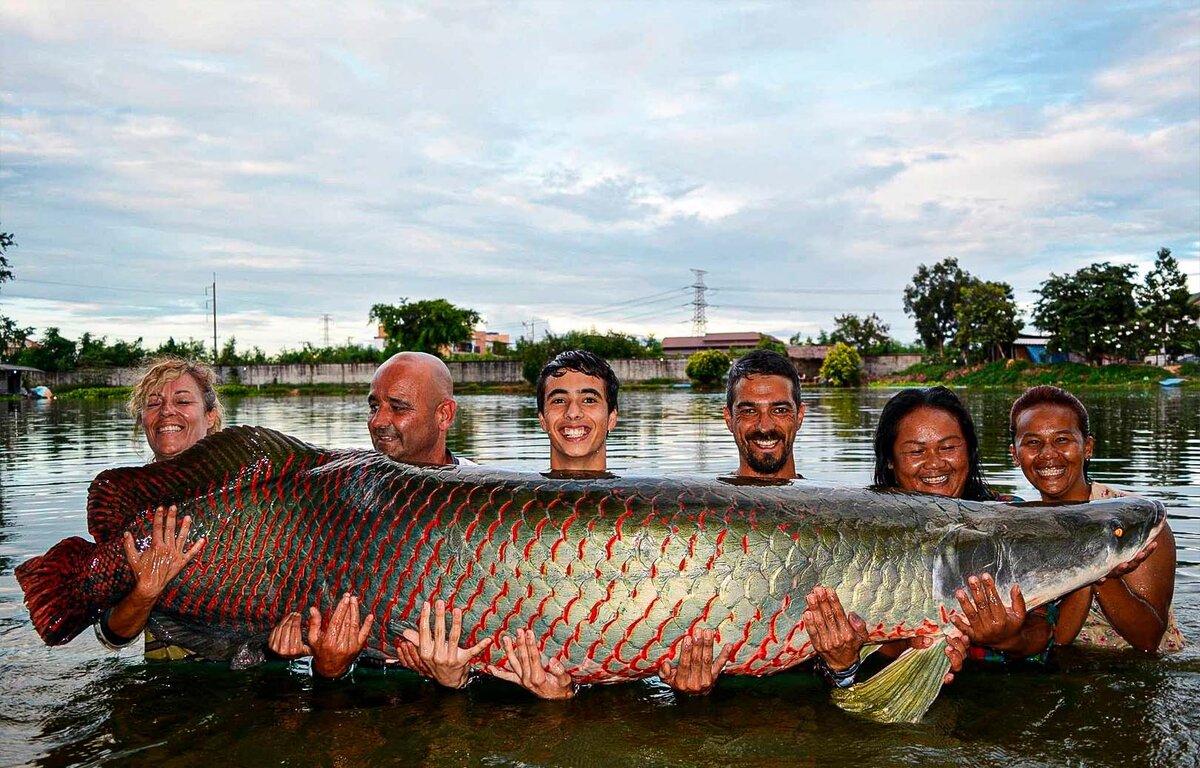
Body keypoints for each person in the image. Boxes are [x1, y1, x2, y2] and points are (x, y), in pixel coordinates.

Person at [268, 352, 488, 681]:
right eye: (374, 406)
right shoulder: (340, 491)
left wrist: (459, 676)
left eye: (398, 407)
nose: (378, 421)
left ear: (444, 415)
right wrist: (327, 666)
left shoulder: (483, 497)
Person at [1008, 385, 1184, 652]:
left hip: (1137, 671)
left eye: (1062, 440)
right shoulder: (1021, 522)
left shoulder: (1135, 520)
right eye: (1033, 443)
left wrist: (1100, 566)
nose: (1048, 454)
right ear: (1015, 455)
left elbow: (1148, 639)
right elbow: (1058, 639)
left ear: (1087, 447)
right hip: (1071, 666)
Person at [94, 357, 222, 659]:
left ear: (211, 415)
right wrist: (145, 593)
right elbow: (111, 636)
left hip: (253, 686)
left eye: (182, 401)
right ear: (143, 419)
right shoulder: (130, 502)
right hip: (165, 686)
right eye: (153, 404)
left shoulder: (253, 488)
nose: (166, 411)